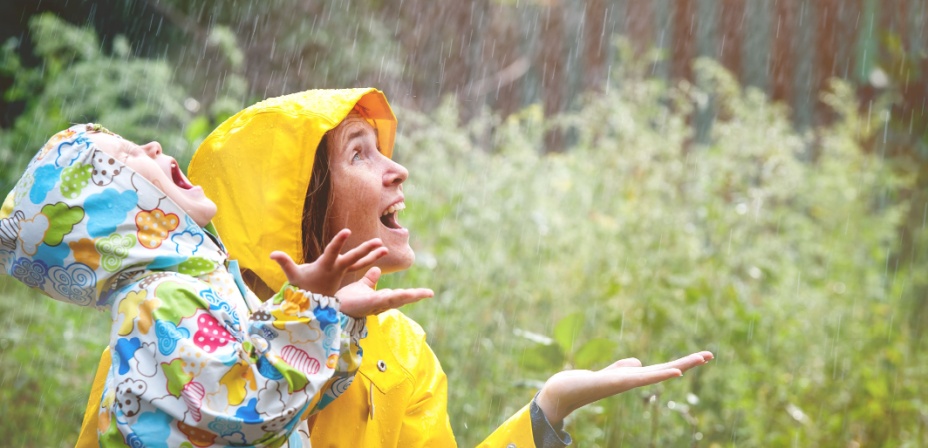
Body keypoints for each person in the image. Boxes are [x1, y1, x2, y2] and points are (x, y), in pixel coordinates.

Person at [78, 88, 713, 447]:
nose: (397, 169)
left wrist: (546, 412)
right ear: (295, 202)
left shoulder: (399, 352)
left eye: (385, 151)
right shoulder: (169, 325)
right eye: (360, 154)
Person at [0, 123, 430, 446]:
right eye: (128, 153)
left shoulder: (202, 289)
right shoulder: (160, 303)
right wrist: (309, 311)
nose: (152, 145)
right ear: (117, 205)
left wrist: (338, 317)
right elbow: (254, 411)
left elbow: (294, 402)